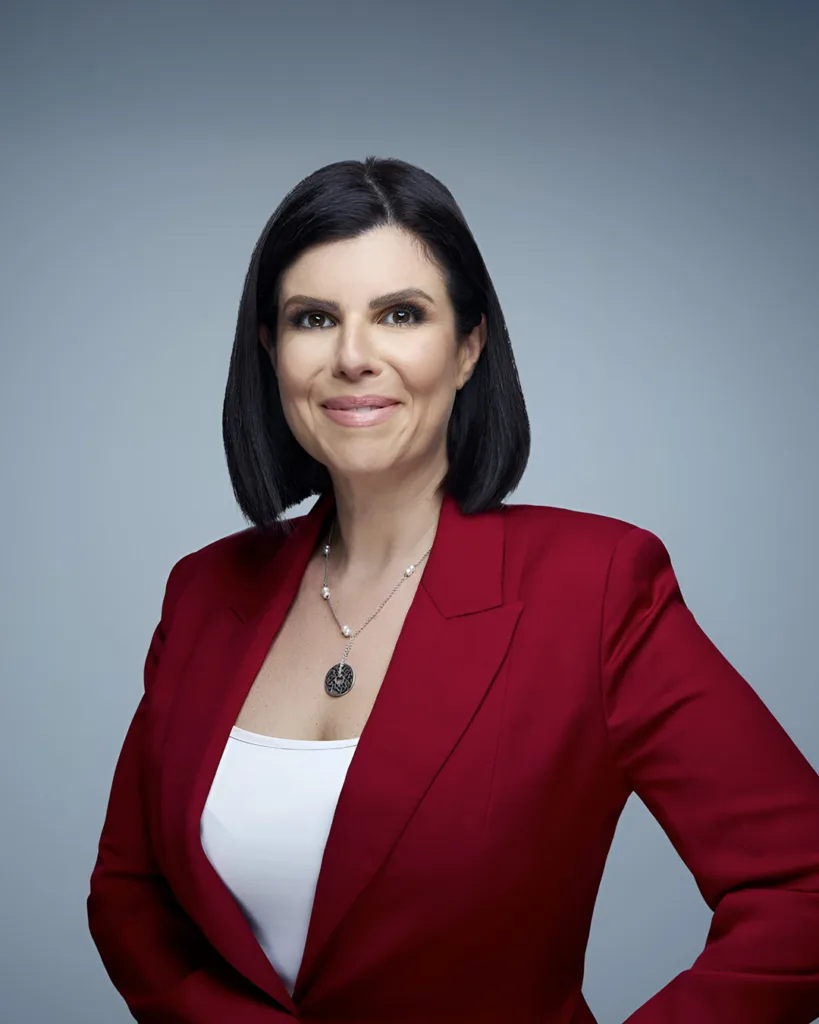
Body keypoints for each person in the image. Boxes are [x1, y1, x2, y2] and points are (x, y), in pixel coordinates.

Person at [86, 156, 819, 1024]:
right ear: (270, 351)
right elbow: (130, 895)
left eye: (400, 314)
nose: (352, 357)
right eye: (314, 318)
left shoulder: (596, 588)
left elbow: (800, 887)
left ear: (468, 346)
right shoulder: (203, 592)